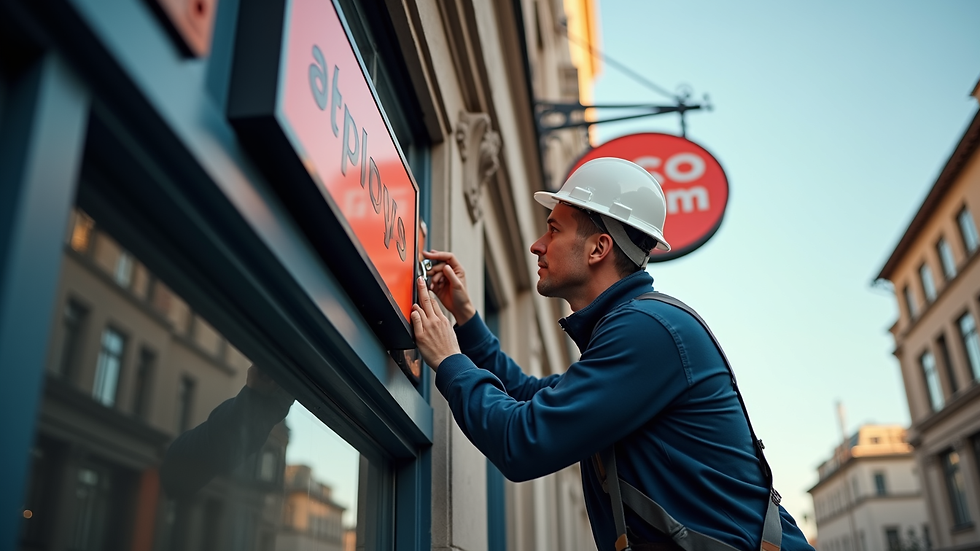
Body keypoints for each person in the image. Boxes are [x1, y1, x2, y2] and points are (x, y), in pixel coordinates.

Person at [410, 157, 813, 551]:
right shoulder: (634, 328)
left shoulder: (647, 331)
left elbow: (522, 442)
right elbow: (525, 393)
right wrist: (466, 319)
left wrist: (450, 361)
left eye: (553, 230)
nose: (538, 245)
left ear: (598, 248)